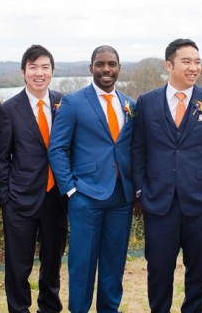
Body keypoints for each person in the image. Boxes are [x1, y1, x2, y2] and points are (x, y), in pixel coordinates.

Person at [131, 38, 202, 312]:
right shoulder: (147, 102)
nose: (194, 67)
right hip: (159, 202)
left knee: (198, 271)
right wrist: (141, 190)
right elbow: (138, 150)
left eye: (197, 62)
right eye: (186, 61)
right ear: (169, 65)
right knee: (158, 270)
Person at [48, 45, 135, 313]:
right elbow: (57, 148)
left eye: (111, 64)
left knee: (114, 263)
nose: (106, 69)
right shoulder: (73, 102)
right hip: (85, 196)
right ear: (91, 68)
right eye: (100, 64)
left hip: (121, 197)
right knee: (82, 264)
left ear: (119, 68)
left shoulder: (130, 105)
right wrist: (70, 189)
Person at [0, 45, 68, 313]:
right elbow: (0, 158)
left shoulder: (64, 103)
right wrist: (5, 197)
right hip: (20, 200)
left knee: (53, 262)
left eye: (45, 67)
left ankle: (49, 308)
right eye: (33, 67)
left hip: (56, 198)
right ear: (23, 72)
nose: (39, 73)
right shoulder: (9, 109)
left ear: (52, 71)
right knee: (18, 266)